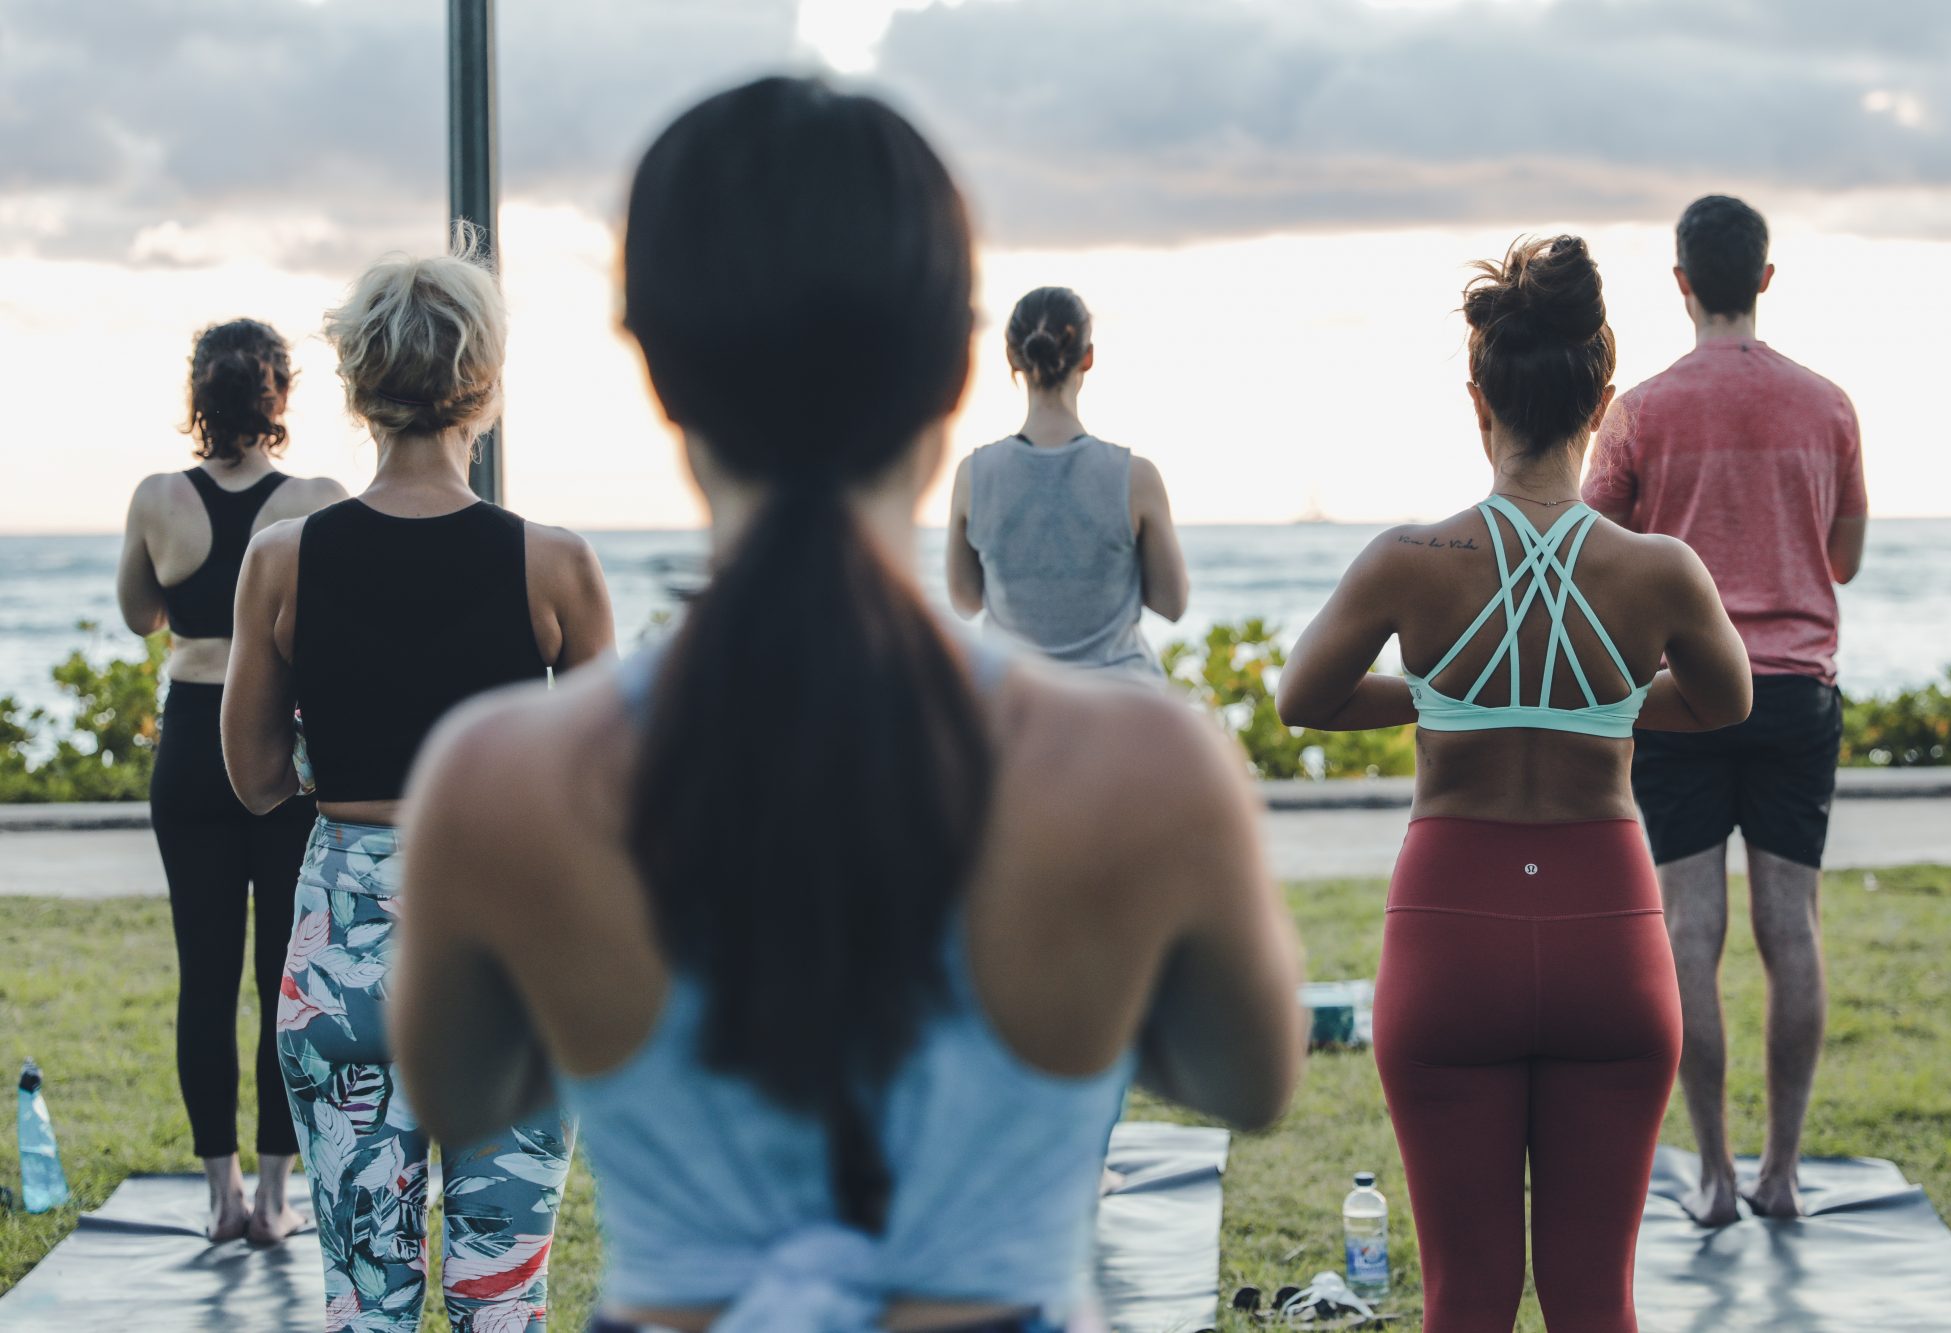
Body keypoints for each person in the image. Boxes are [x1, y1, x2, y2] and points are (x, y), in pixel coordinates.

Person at [384, 76, 1304, 1333]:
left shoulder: (501, 778)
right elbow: (1248, 1079)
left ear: (656, 365)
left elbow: (463, 1095)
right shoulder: (1141, 767)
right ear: (951, 368)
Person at [1277, 236, 1751, 1332]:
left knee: (1467, 1297)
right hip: (1607, 937)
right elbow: (1725, 702)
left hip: (1450, 935)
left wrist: (1444, 696)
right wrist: (1600, 701)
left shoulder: (1409, 559)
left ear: (1477, 398)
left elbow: (1305, 695)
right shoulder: (1660, 570)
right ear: (1603, 403)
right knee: (1594, 1300)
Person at [221, 237, 616, 1332]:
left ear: (357, 385)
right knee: (501, 1299)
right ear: (483, 386)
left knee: (367, 1303)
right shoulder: (556, 564)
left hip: (339, 950)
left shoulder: (283, 559)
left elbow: (254, 779)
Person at [1583, 194, 1868, 1226]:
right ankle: (1780, 1173)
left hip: (1684, 692)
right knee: (1790, 926)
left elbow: (1592, 552)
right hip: (1793, 689)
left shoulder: (1640, 410)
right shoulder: (1827, 405)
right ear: (1763, 278)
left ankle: (1712, 1177)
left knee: (1687, 929)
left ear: (1680, 283)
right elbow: (1843, 558)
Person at [115, 318, 347, 1243]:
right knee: (287, 974)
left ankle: (222, 1198)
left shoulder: (157, 496)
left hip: (189, 745)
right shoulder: (319, 499)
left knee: (203, 976)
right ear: (278, 393)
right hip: (277, 746)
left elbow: (140, 614)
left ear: (198, 396)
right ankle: (278, 1198)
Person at [946, 286, 1188, 674]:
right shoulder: (1136, 476)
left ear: (1012, 357)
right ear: (1087, 357)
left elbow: (965, 602)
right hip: (1120, 698)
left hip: (1018, 699)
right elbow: (1172, 605)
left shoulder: (974, 474)